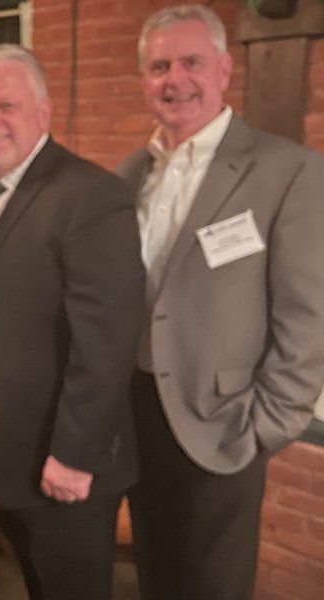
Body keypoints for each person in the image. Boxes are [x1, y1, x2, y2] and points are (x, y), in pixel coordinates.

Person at [119, 5, 324, 599]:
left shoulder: (287, 171)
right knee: (154, 573)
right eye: (159, 67)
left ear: (224, 70)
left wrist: (268, 426)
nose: (175, 80)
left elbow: (308, 316)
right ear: (144, 79)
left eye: (191, 62)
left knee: (214, 586)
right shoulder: (129, 174)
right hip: (137, 415)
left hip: (226, 423)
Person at [0, 44, 144, 600]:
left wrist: (74, 456)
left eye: (6, 105)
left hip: (62, 464)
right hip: (1, 458)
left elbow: (106, 343)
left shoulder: (92, 195)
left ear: (43, 111)